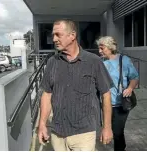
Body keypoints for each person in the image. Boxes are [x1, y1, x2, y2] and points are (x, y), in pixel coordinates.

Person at [38, 19, 113, 151]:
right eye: (53, 35)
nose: (54, 39)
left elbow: (106, 94)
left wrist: (107, 128)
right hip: (57, 133)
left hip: (84, 133)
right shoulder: (52, 62)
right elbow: (47, 94)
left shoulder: (93, 61)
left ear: (72, 35)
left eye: (58, 35)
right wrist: (42, 124)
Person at [96, 36, 139, 151]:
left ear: (110, 47)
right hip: (106, 103)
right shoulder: (100, 62)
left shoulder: (124, 60)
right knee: (109, 129)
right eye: (99, 48)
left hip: (121, 104)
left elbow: (134, 77)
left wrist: (130, 88)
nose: (99, 51)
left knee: (117, 131)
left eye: (102, 48)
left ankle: (120, 148)